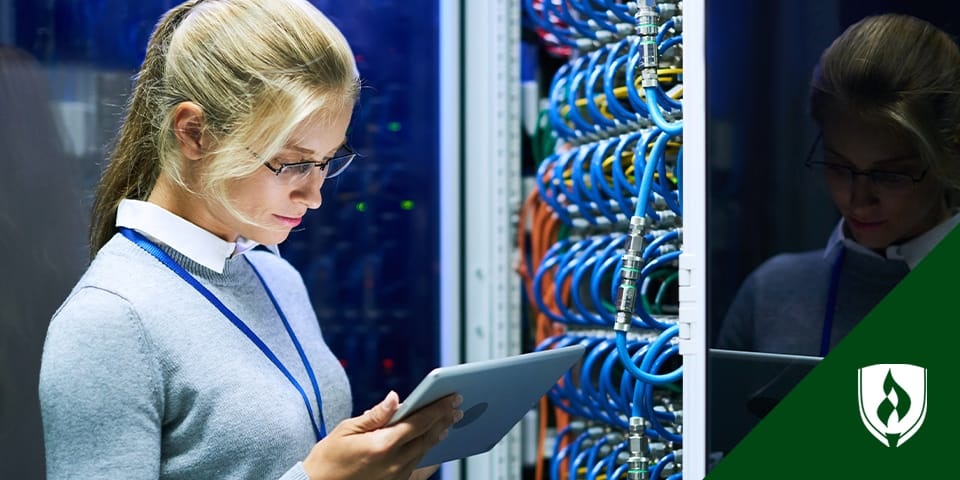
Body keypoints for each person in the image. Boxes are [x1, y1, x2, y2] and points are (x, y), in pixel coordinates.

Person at [37, 1, 462, 479]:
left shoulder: (275, 275)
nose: (314, 194)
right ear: (194, 133)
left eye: (325, 162)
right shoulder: (109, 320)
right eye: (293, 162)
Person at [717, 13, 960, 357]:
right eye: (838, 167)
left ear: (951, 153)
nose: (858, 201)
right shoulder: (770, 293)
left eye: (890, 175)